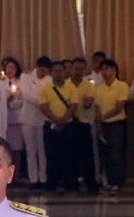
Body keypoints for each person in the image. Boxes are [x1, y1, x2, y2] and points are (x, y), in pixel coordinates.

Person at [39, 61, 78, 192]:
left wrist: (63, 120)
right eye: (55, 71)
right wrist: (55, 120)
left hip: (68, 125)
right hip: (50, 125)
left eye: (60, 71)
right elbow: (43, 106)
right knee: (51, 155)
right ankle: (52, 183)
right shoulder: (45, 88)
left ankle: (69, 183)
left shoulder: (71, 87)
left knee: (68, 154)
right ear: (51, 73)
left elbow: (74, 105)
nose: (58, 73)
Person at [94, 59, 129, 192]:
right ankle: (106, 181)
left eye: (107, 69)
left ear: (114, 70)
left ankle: (117, 181)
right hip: (103, 125)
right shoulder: (99, 88)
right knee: (105, 154)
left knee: (116, 154)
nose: (104, 72)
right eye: (102, 69)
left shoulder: (121, 86)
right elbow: (97, 107)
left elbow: (119, 107)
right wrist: (99, 122)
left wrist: (104, 117)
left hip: (116, 124)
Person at [18, 56, 51, 190]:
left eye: (45, 72)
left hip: (43, 117)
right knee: (31, 150)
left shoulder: (49, 80)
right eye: (41, 70)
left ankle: (43, 178)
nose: (43, 74)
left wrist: (44, 102)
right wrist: (42, 102)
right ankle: (33, 179)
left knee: (42, 150)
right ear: (36, 67)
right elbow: (26, 95)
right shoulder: (25, 77)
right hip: (28, 118)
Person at [68, 57, 98, 193]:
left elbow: (88, 103)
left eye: (81, 69)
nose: (78, 71)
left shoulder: (89, 85)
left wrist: (86, 102)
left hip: (84, 123)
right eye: (76, 68)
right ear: (71, 69)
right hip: (69, 122)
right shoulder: (66, 85)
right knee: (71, 154)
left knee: (87, 155)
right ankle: (72, 182)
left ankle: (90, 182)